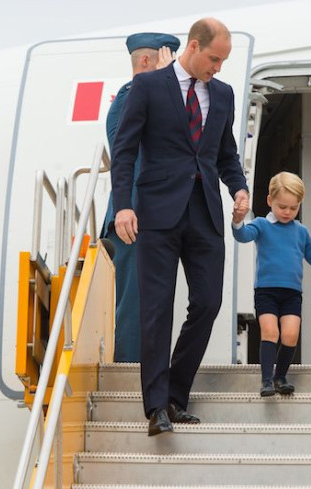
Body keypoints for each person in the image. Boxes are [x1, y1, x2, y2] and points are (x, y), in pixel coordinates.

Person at [110, 18, 250, 436]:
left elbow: (226, 154)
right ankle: (156, 408)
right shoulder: (149, 87)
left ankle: (175, 392)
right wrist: (123, 207)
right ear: (193, 46)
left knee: (208, 302)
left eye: (224, 60)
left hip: (205, 212)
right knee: (156, 309)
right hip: (156, 212)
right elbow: (125, 149)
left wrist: (240, 190)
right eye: (214, 58)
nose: (219, 68)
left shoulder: (222, 95)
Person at [231, 172, 311, 397]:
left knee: (290, 335)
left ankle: (281, 377)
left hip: (292, 293)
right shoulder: (261, 225)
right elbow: (242, 236)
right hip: (266, 292)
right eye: (283, 207)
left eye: (294, 208)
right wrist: (238, 220)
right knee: (270, 332)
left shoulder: (301, 231)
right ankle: (267, 381)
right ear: (270, 201)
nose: (288, 212)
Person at [102, 32, 180, 363]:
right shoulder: (130, 97)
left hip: (152, 218)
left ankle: (147, 376)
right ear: (146, 61)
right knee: (135, 303)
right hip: (133, 218)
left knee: (151, 304)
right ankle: (131, 377)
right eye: (169, 62)